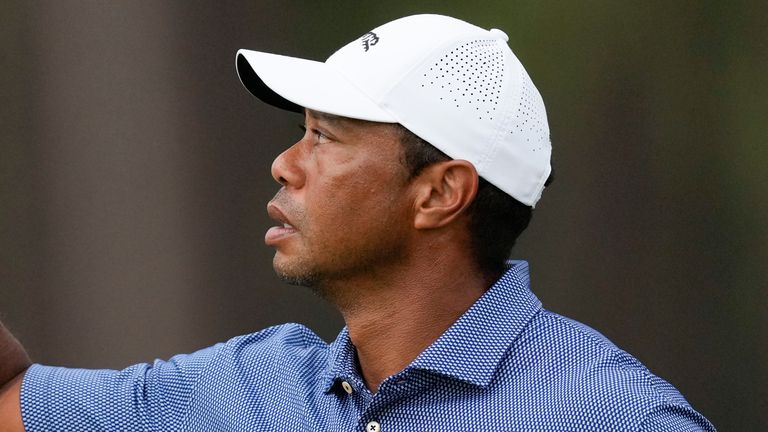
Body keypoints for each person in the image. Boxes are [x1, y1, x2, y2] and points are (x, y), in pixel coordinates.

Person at [0, 14, 715, 431]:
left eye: (325, 137)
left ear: (439, 194)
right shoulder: (243, 386)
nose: (284, 163)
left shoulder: (615, 415)